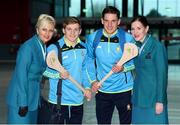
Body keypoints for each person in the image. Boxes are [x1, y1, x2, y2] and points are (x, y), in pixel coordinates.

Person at [85, 6, 135, 124]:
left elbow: (133, 62)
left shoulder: (127, 38)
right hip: (103, 91)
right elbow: (88, 61)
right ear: (102, 20)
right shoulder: (93, 38)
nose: (110, 24)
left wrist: (123, 68)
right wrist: (92, 81)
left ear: (119, 21)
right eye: (106, 20)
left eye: (113, 21)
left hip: (124, 90)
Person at [6, 14, 56, 124]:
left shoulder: (42, 45)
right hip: (20, 99)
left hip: (33, 98)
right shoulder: (28, 48)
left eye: (50, 30)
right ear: (37, 30)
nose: (47, 34)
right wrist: (23, 102)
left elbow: (41, 71)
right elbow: (21, 76)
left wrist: (59, 74)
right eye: (44, 29)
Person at [41, 16, 91, 124]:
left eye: (75, 29)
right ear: (64, 30)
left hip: (77, 101)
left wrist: (87, 87)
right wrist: (59, 75)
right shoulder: (54, 48)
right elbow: (44, 71)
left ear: (80, 31)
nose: (72, 33)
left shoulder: (84, 48)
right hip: (58, 102)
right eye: (69, 29)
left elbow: (85, 70)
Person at [130, 16, 168, 124]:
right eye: (132, 29)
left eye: (139, 28)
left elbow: (162, 76)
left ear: (146, 29)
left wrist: (160, 101)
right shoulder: (133, 47)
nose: (135, 32)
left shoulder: (157, 47)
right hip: (138, 99)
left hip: (153, 100)